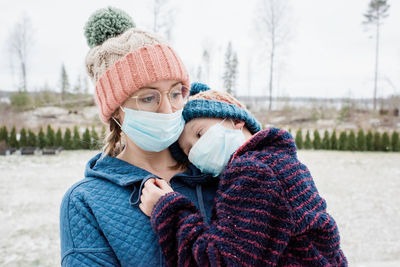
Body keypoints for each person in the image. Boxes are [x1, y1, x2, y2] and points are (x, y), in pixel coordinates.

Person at [59, 8, 219, 266]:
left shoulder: (214, 170)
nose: (167, 110)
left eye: (176, 93)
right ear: (116, 111)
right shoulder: (86, 202)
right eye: (148, 97)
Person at [140, 83, 348, 266]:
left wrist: (168, 209)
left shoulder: (253, 173)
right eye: (188, 151)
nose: (197, 150)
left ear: (236, 120)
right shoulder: (280, 162)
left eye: (200, 134)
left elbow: (223, 261)